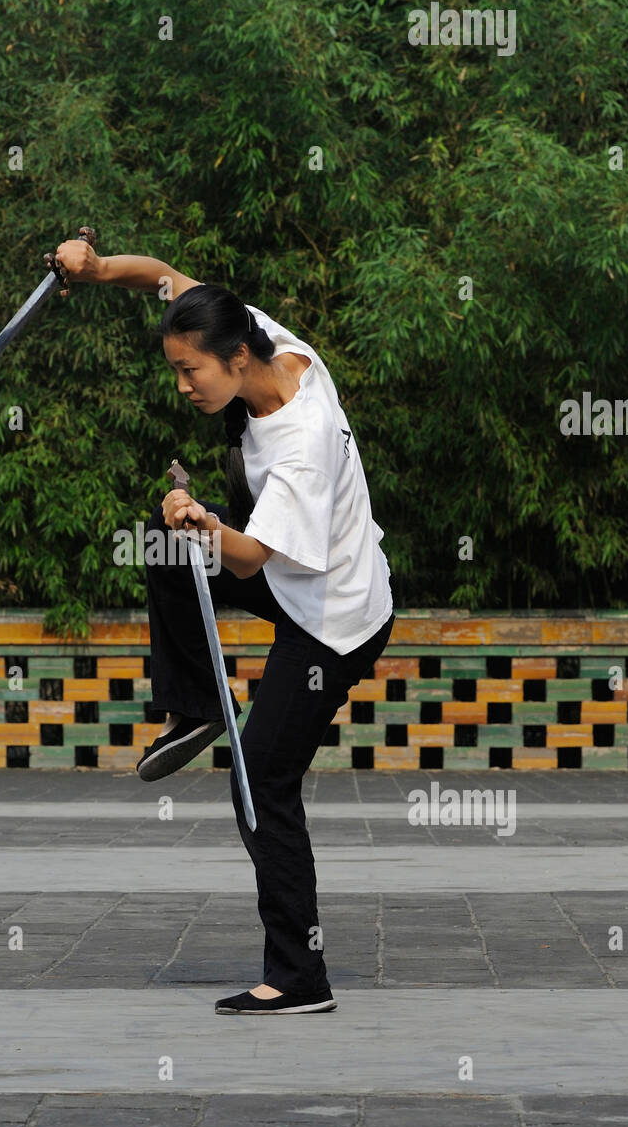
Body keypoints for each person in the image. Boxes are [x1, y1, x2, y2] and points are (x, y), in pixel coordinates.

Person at [53, 239, 395, 1015]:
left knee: (262, 780)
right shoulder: (266, 340)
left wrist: (204, 520)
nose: (181, 386)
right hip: (300, 580)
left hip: (332, 620)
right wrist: (94, 267)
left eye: (189, 372)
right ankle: (198, 706)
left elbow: (244, 562)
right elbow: (164, 274)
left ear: (235, 359)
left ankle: (298, 977)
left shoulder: (298, 444)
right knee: (165, 539)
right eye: (174, 369)